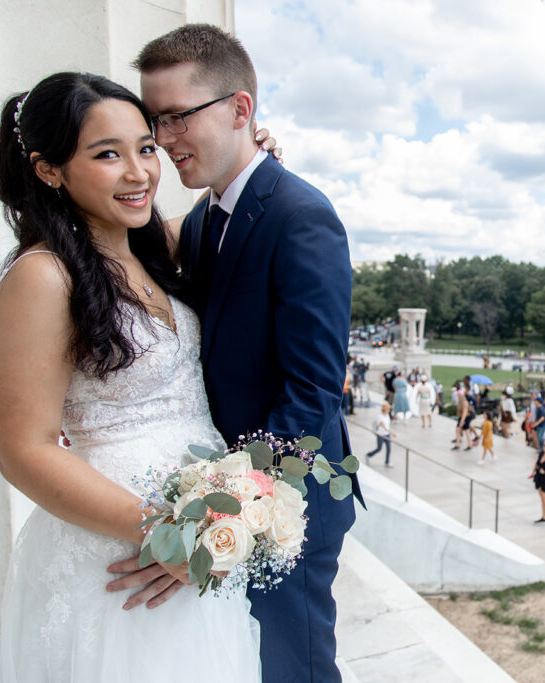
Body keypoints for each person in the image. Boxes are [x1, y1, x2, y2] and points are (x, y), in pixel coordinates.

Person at [0, 72, 260, 681]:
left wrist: (248, 163)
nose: (139, 173)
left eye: (145, 149)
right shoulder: (42, 277)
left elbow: (224, 215)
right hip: (117, 555)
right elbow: (22, 451)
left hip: (202, 544)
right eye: (107, 154)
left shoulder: (152, 249)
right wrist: (170, 535)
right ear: (49, 169)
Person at [116, 24, 361, 682]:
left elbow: (311, 396)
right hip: (224, 492)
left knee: (294, 668)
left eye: (175, 118)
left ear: (240, 109)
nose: (162, 141)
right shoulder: (200, 221)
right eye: (153, 121)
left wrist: (214, 513)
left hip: (287, 506)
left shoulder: (300, 215)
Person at [366, 402, 396, 468]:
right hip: (381, 435)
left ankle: (387, 462)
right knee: (379, 449)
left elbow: (388, 425)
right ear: (385, 409)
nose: (389, 410)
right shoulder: (380, 416)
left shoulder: (387, 415)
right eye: (388, 409)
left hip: (387, 435)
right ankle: (368, 455)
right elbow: (383, 426)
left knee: (389, 448)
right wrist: (392, 433)